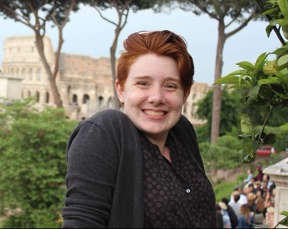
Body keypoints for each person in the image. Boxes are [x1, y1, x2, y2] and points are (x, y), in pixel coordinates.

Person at [61, 30, 217, 228]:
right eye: (143, 83)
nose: (156, 97)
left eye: (170, 86)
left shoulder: (182, 131)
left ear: (185, 94)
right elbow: (82, 221)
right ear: (121, 90)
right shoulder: (103, 133)